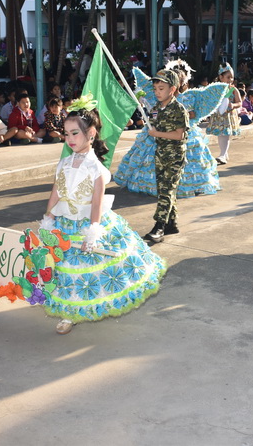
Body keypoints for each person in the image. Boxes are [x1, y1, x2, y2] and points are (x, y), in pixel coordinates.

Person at [38, 104, 167, 334]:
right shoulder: (64, 163)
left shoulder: (95, 167)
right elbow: (56, 193)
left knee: (88, 271)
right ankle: (69, 311)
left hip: (87, 223)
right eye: (66, 134)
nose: (69, 139)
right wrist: (48, 219)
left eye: (74, 133)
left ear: (91, 133)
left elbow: (97, 203)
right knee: (65, 269)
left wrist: (92, 232)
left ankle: (81, 308)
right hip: (64, 223)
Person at [115, 64, 228, 199]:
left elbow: (192, 115)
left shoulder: (186, 98)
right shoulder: (159, 100)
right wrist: (148, 109)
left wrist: (176, 116)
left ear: (178, 85)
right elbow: (154, 114)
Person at [142, 69, 189, 243]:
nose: (157, 92)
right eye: (155, 89)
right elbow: (152, 124)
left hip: (175, 155)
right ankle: (171, 223)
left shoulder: (178, 109)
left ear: (172, 89)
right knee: (164, 189)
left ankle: (159, 226)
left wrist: (157, 134)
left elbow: (179, 135)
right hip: (160, 154)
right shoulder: (156, 108)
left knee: (167, 190)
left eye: (161, 88)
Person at [206, 63, 241, 165]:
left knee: (225, 134)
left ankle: (223, 154)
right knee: (221, 135)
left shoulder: (233, 90)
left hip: (228, 116)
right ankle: (224, 153)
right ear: (221, 77)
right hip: (218, 115)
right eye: (228, 77)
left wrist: (233, 105)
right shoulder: (216, 89)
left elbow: (239, 102)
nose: (230, 79)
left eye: (232, 77)